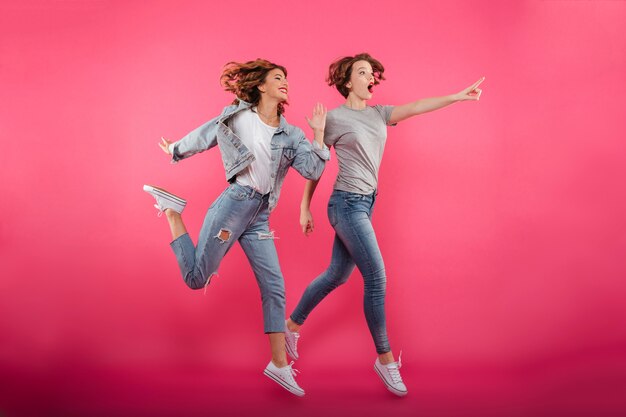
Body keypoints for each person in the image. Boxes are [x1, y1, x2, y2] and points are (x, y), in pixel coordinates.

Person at [284, 53, 484, 396]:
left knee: (337, 274)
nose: (370, 77)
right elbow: (316, 167)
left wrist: (456, 96)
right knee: (376, 277)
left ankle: (290, 326)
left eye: (371, 73)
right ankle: (385, 359)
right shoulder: (333, 119)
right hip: (345, 205)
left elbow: (417, 105)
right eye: (362, 73)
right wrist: (305, 206)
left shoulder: (379, 114)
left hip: (366, 204)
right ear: (348, 82)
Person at [143, 59, 329, 397]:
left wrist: (318, 135)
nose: (285, 82)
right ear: (261, 86)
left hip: (259, 215)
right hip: (234, 205)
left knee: (274, 286)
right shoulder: (238, 116)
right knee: (196, 279)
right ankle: (173, 212)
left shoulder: (292, 134)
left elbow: (313, 169)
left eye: (287, 78)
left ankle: (279, 365)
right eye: (277, 77)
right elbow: (206, 133)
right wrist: (175, 149)